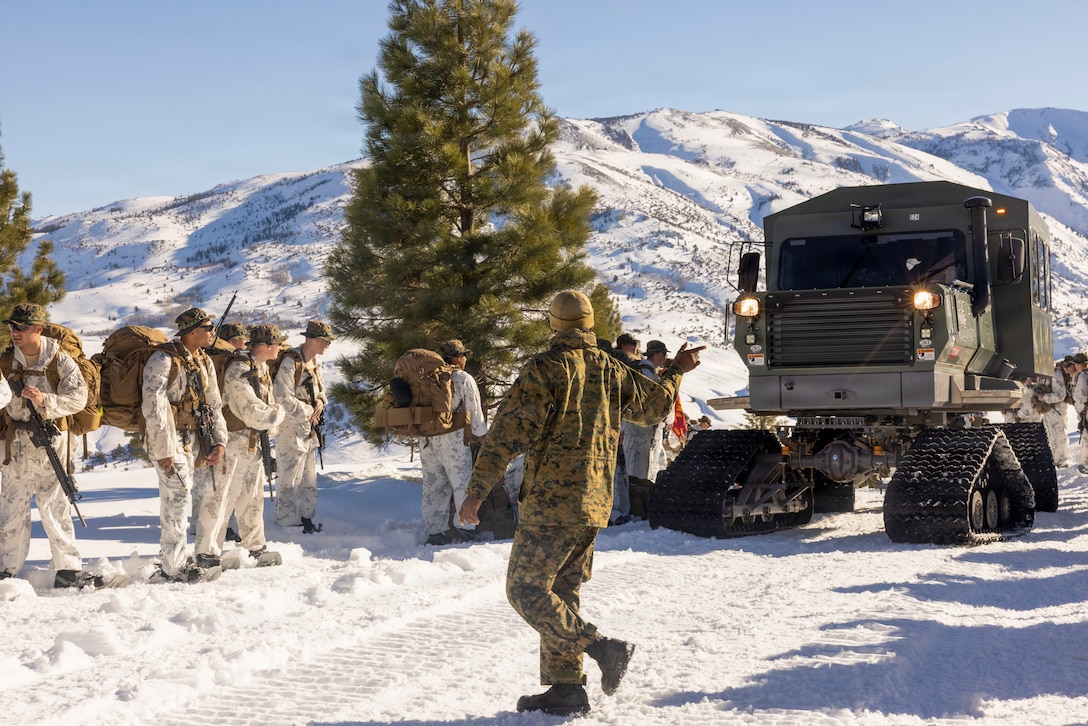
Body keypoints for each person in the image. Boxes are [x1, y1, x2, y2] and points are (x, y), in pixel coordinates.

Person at [459, 290, 704, 717]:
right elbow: (651, 410)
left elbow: (506, 435)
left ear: (553, 325)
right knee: (561, 591)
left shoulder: (544, 369)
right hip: (594, 501)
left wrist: (477, 491)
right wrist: (676, 373)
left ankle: (601, 647)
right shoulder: (612, 368)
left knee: (525, 589)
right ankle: (567, 689)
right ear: (590, 325)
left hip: (551, 500)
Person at [0, 303, 101, 589]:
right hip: (14, 449)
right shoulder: (6, 361)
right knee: (11, 514)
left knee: (56, 511)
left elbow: (78, 398)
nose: (14, 332)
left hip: (51, 448)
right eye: (12, 326)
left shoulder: (60, 360)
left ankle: (68, 570)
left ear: (39, 329)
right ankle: (6, 571)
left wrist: (47, 401)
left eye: (21, 327)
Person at [144, 307, 229, 583]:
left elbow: (214, 404)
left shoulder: (203, 361)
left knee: (183, 499)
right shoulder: (163, 360)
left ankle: (177, 560)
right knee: (177, 500)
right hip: (170, 442)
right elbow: (154, 407)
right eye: (208, 328)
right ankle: (173, 566)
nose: (212, 333)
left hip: (193, 442)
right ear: (192, 332)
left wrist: (219, 440)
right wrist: (164, 450)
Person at [211, 324, 287, 563]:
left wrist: (272, 414)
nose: (280, 348)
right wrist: (279, 413)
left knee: (253, 498)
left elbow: (266, 409)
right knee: (223, 498)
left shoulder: (260, 368)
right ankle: (210, 552)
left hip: (253, 443)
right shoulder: (239, 369)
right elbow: (254, 412)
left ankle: (255, 546)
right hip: (233, 443)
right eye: (278, 344)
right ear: (266, 346)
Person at [420, 339, 489, 545]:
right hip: (454, 440)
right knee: (462, 485)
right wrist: (482, 436)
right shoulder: (463, 378)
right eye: (464, 355)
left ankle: (435, 533)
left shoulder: (425, 378)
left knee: (433, 486)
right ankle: (465, 530)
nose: (465, 359)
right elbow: (475, 414)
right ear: (458, 358)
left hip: (428, 439)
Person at [274, 320, 331, 534]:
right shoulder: (291, 363)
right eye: (326, 341)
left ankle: (306, 518)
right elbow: (282, 396)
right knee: (289, 479)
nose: (328, 346)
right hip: (290, 430)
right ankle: (287, 523)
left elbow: (321, 390)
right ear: (316, 340)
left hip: (309, 431)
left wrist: (320, 403)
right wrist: (308, 412)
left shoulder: (314, 361)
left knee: (308, 479)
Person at [1037, 356, 1074, 467]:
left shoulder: (1055, 374)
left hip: (1057, 410)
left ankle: (1062, 461)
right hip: (1047, 411)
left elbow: (1060, 395)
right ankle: (1054, 459)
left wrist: (1044, 397)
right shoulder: (1041, 376)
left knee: (1059, 434)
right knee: (1049, 435)